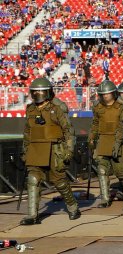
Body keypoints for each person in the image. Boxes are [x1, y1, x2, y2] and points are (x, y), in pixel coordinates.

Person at [20, 78, 81, 225]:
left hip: (55, 150)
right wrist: (25, 151)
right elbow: (28, 133)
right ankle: (32, 215)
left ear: (47, 92)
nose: (38, 94)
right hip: (35, 149)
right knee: (33, 180)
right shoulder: (31, 109)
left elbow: (68, 130)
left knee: (59, 181)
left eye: (41, 91)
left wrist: (69, 150)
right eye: (35, 92)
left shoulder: (58, 107)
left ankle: (73, 207)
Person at [88, 80, 123, 208]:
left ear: (113, 93)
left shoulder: (122, 106)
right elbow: (95, 124)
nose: (105, 96)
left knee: (121, 172)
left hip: (119, 142)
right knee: (102, 170)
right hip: (103, 141)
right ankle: (105, 199)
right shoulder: (97, 107)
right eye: (103, 94)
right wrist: (91, 138)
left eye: (108, 93)